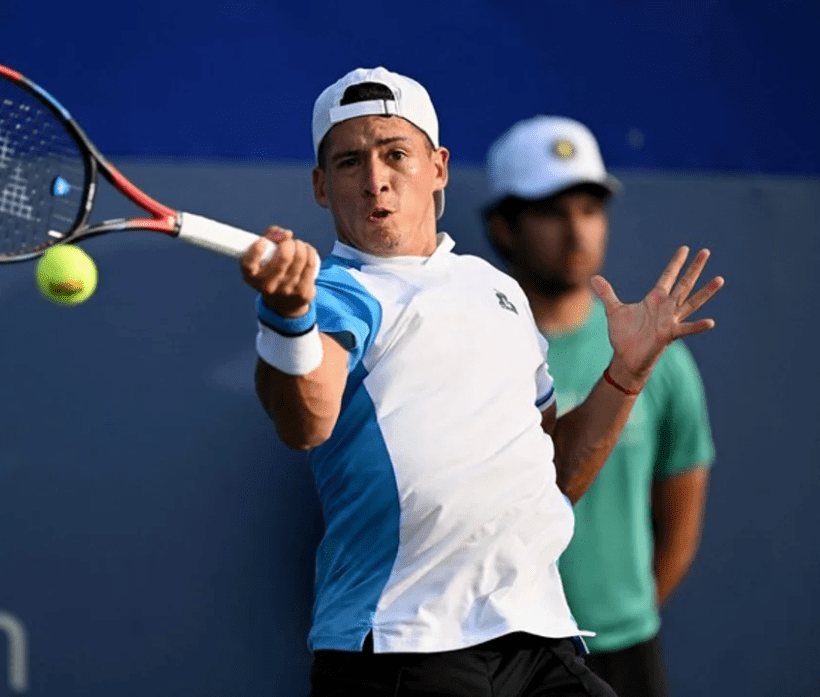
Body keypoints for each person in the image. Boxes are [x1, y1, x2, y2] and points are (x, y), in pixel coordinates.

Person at [238, 67, 723, 697]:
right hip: (402, 642)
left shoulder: (499, 292)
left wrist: (623, 375)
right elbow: (305, 420)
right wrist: (287, 316)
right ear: (321, 186)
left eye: (395, 154)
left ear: (438, 168)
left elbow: (554, 474)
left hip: (535, 633)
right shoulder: (334, 296)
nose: (375, 179)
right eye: (349, 162)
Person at [481, 116, 716, 697]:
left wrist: (625, 618)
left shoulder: (660, 359)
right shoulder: (470, 354)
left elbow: (680, 520)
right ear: (503, 227)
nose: (575, 231)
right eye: (551, 211)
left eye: (590, 209)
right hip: (498, 654)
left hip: (627, 653)